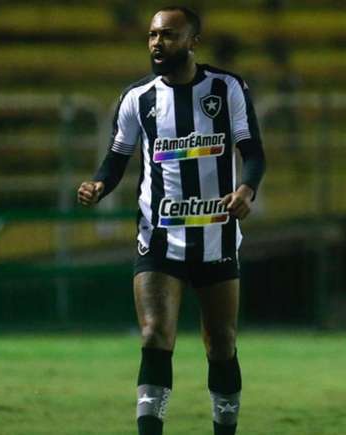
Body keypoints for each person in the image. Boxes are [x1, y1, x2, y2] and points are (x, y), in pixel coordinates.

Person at [76, 7, 265, 435]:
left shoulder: (227, 87)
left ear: (192, 41)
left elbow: (252, 151)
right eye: (152, 35)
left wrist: (246, 190)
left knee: (221, 343)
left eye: (168, 35)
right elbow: (116, 160)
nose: (158, 43)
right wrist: (98, 185)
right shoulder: (137, 98)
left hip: (216, 234)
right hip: (159, 236)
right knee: (154, 335)